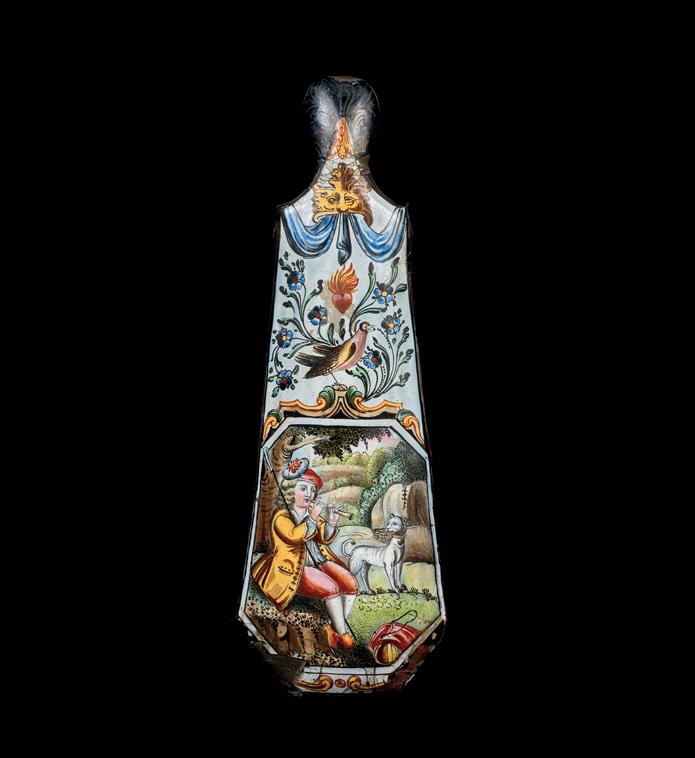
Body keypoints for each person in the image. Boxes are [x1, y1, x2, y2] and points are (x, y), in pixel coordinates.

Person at [251, 457, 358, 649]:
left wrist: (332, 521)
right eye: (303, 489)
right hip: (293, 569)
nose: (309, 494)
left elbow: (325, 538)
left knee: (351, 584)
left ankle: (333, 627)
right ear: (291, 492)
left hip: (317, 562)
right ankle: (343, 635)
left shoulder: (310, 514)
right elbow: (294, 536)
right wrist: (313, 518)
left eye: (312, 490)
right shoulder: (281, 516)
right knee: (331, 588)